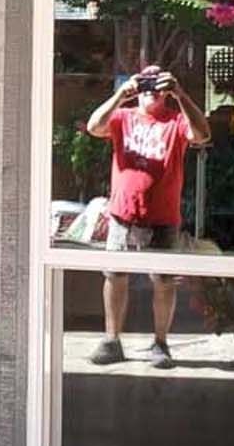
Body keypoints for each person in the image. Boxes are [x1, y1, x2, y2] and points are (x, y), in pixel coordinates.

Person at [84, 65, 212, 369]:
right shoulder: (123, 116)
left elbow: (202, 134)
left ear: (166, 90)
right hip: (122, 214)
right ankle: (111, 340)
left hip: (163, 217)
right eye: (145, 82)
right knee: (115, 276)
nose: (151, 89)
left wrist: (180, 94)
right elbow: (94, 127)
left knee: (164, 281)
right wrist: (120, 95)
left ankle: (161, 342)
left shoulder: (176, 120)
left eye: (157, 83)